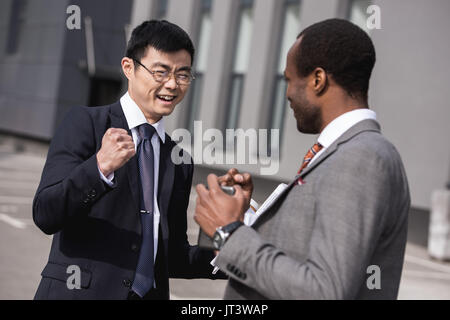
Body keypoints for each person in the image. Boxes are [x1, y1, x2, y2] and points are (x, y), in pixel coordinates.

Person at [194, 19, 410, 299]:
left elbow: (323, 290)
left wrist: (229, 233)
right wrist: (246, 218)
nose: (287, 94)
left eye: (289, 79)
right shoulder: (343, 151)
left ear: (317, 80)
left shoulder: (361, 157)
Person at [33, 20, 224, 300]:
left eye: (182, 75)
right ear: (128, 68)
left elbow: (173, 256)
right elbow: (45, 214)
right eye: (161, 72)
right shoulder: (86, 124)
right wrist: (99, 167)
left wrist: (232, 256)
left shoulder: (179, 159)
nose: (172, 84)